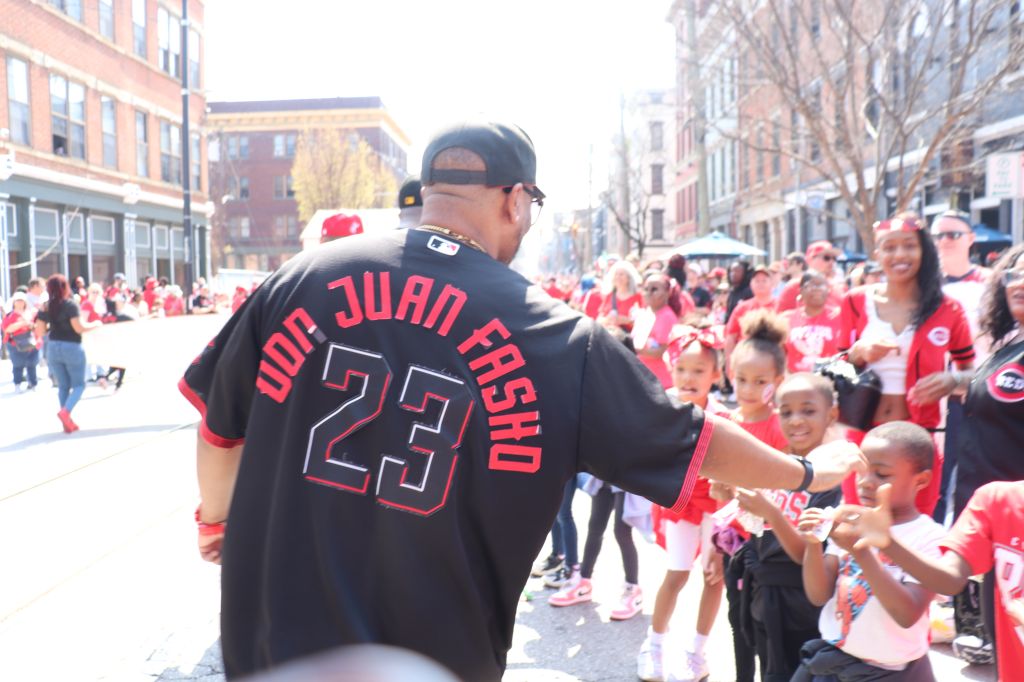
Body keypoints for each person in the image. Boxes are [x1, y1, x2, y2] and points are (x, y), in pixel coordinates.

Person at [180, 120, 865, 681]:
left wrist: (217, 524)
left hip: (274, 641)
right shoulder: (558, 337)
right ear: (514, 200)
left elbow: (218, 429)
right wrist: (808, 472)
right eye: (531, 207)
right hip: (434, 656)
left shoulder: (305, 275)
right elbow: (698, 443)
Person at [838, 213, 974, 515]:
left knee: (914, 530)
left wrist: (952, 381)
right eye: (889, 247)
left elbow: (973, 375)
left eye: (909, 246)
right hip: (863, 437)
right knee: (858, 523)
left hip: (919, 439)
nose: (899, 254)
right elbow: (833, 368)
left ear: (923, 251)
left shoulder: (948, 308)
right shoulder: (854, 302)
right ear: (878, 254)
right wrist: (857, 353)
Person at [795, 421, 942, 681]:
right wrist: (813, 543)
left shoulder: (928, 537)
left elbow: (907, 614)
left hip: (891, 673)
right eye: (862, 472)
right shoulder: (848, 520)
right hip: (834, 661)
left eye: (882, 475)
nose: (866, 482)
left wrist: (861, 552)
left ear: (921, 480)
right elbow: (818, 595)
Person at [638, 326, 729, 682]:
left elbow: (734, 475)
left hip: (716, 508)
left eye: (699, 371)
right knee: (676, 573)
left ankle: (697, 653)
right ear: (672, 369)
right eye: (682, 369)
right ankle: (655, 644)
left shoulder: (725, 418)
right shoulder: (664, 408)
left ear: (716, 375)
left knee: (712, 577)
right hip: (680, 505)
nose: (689, 378)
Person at [930, 210, 990, 525]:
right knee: (932, 478)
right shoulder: (923, 285)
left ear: (970, 238)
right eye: (938, 235)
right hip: (933, 401)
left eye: (953, 234)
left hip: (976, 396)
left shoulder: (990, 282)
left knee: (972, 478)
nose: (945, 241)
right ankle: (930, 554)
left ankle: (965, 558)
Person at [34, 274, 102, 433]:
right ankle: (65, 413)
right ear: (65, 287)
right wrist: (95, 324)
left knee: (63, 386)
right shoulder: (70, 305)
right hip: (72, 346)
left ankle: (67, 422)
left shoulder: (45, 307)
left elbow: (40, 331)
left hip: (53, 348)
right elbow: (79, 328)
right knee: (79, 385)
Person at [633, 270, 689, 389]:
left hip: (661, 383)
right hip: (643, 378)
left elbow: (662, 351)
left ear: (668, 292)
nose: (648, 292)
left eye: (654, 289)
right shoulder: (644, 314)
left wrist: (634, 350)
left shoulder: (667, 317)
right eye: (646, 288)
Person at [780, 271, 843, 374]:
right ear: (801, 290)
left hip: (828, 382)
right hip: (794, 381)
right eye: (812, 285)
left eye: (822, 285)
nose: (818, 288)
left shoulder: (839, 317)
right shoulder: (786, 319)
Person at [724, 264, 777, 380]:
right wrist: (729, 363)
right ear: (751, 284)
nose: (760, 283)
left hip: (773, 361)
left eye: (764, 280)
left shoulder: (779, 307)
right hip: (746, 360)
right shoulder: (742, 308)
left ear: (772, 284)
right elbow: (730, 337)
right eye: (757, 281)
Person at [777, 241, 844, 313]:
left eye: (834, 258)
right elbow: (780, 318)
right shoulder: (795, 286)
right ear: (810, 259)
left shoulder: (837, 288)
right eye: (826, 258)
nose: (831, 262)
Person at [2, 291, 39, 392]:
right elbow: (7, 329)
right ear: (14, 302)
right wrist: (22, 323)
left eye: (22, 301)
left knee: (32, 363)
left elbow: (37, 326)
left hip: (31, 341)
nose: (20, 303)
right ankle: (17, 384)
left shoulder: (30, 313)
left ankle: (33, 383)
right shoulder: (10, 315)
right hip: (15, 343)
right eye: (18, 301)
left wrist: (31, 325)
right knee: (18, 364)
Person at [598, 259, 644, 332]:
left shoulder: (638, 297)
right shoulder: (608, 296)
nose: (618, 277)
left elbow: (644, 322)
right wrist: (607, 320)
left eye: (621, 274)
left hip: (628, 339)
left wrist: (628, 321)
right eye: (616, 274)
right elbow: (599, 319)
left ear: (629, 278)